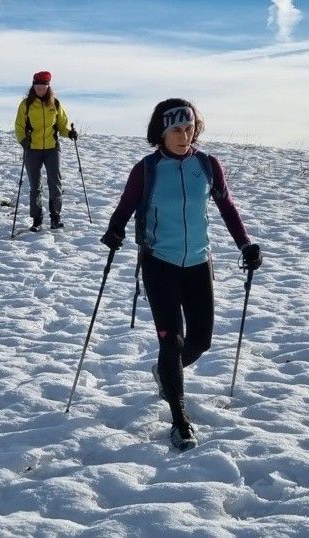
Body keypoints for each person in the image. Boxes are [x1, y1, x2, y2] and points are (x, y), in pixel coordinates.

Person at [99, 98, 263, 451]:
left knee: (200, 341)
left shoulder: (207, 166)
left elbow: (227, 207)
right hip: (160, 263)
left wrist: (245, 244)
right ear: (161, 131)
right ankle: (179, 418)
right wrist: (115, 231)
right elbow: (125, 207)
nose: (183, 136)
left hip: (198, 264)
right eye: (175, 129)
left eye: (189, 128)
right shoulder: (147, 169)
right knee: (170, 341)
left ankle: (165, 371)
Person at [14, 70, 77, 231]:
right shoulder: (26, 104)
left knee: (54, 183)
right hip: (32, 149)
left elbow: (62, 125)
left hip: (52, 149)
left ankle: (55, 218)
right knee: (35, 186)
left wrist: (69, 133)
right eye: (38, 86)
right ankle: (37, 220)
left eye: (43, 87)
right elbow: (19, 126)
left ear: (48, 87)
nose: (40, 89)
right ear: (33, 86)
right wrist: (23, 141)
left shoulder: (55, 104)